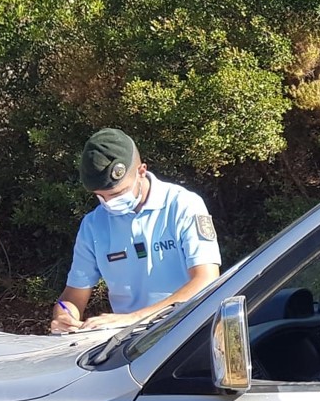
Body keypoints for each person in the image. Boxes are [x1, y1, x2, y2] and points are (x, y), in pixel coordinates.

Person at [49, 128, 221, 333]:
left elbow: (207, 279)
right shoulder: (93, 224)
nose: (110, 202)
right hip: (129, 341)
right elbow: (74, 295)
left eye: (118, 193)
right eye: (100, 196)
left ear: (141, 171)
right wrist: (64, 316)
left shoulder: (183, 205)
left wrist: (135, 319)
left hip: (188, 332)